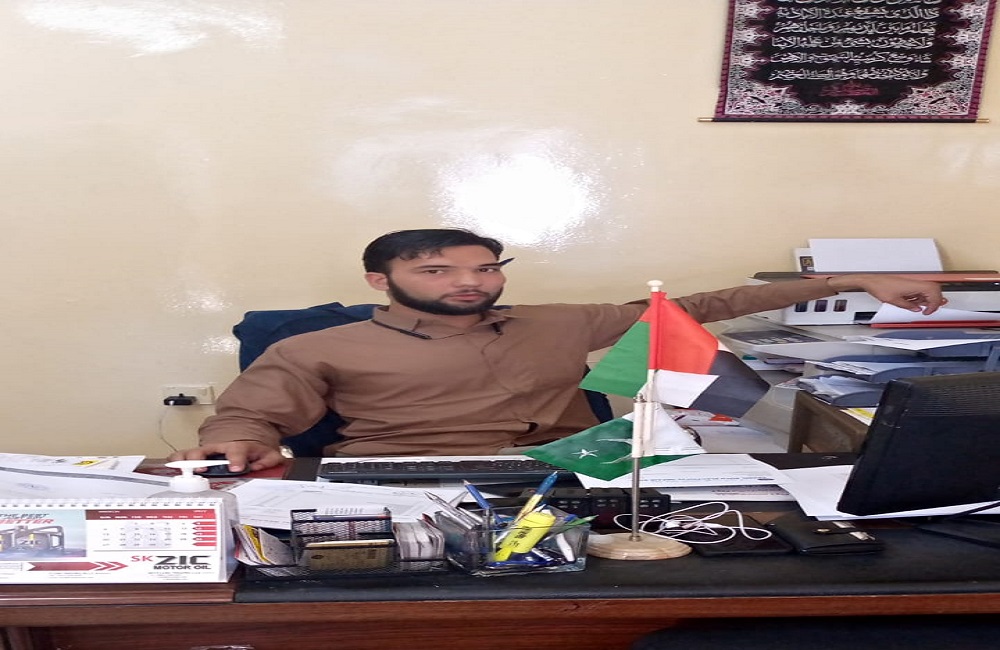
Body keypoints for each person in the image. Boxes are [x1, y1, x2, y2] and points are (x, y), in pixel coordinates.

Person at [170, 228, 945, 471]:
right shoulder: (322, 344)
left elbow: (704, 309)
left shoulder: (561, 321)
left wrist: (853, 279)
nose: (468, 282)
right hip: (406, 476)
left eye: (484, 268)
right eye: (436, 271)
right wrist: (233, 444)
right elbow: (249, 417)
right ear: (381, 279)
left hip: (576, 471)